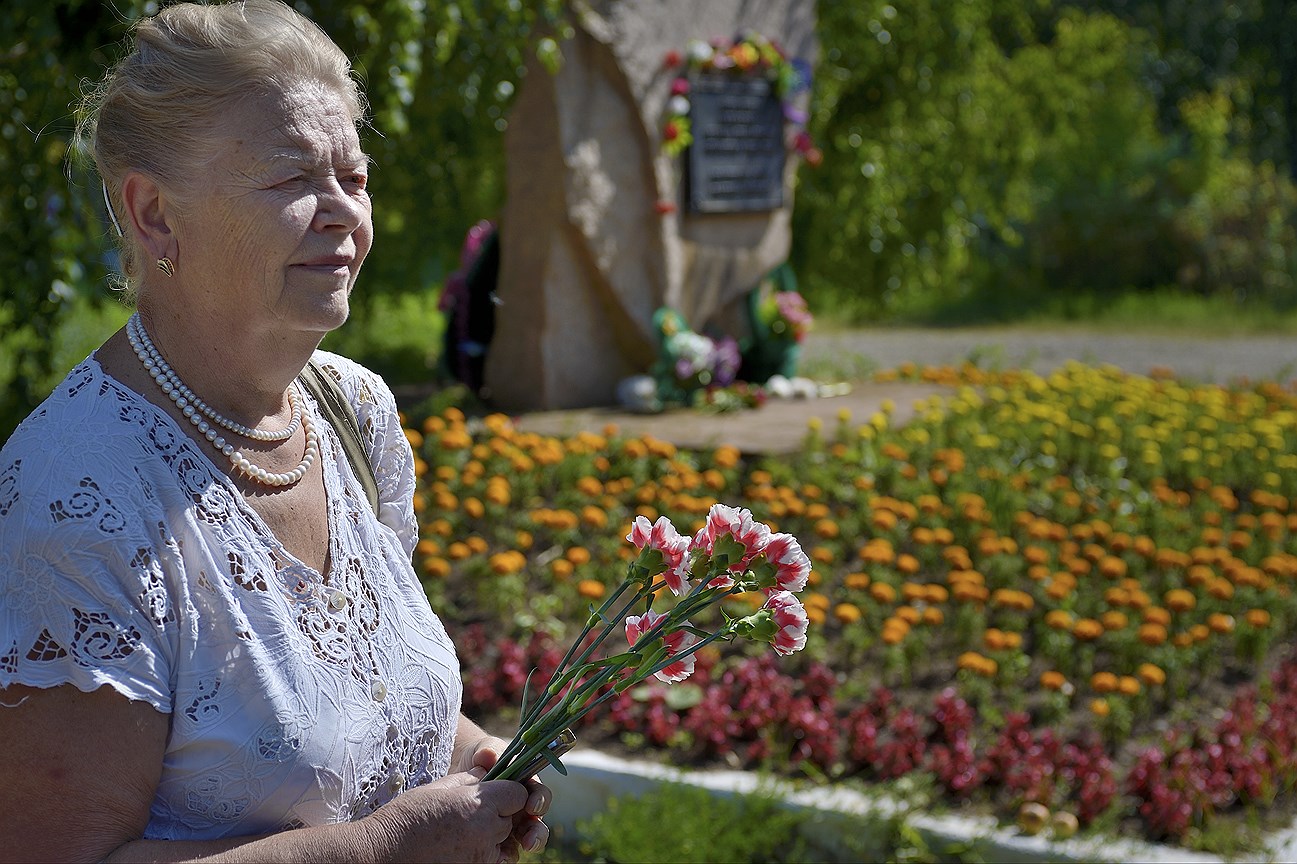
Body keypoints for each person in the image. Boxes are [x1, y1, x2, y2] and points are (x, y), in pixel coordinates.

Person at [0, 2, 550, 861]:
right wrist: (379, 849)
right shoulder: (79, 496)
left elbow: (362, 706)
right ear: (152, 213)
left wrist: (479, 763)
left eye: (355, 178)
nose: (340, 212)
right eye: (292, 179)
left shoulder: (351, 409)